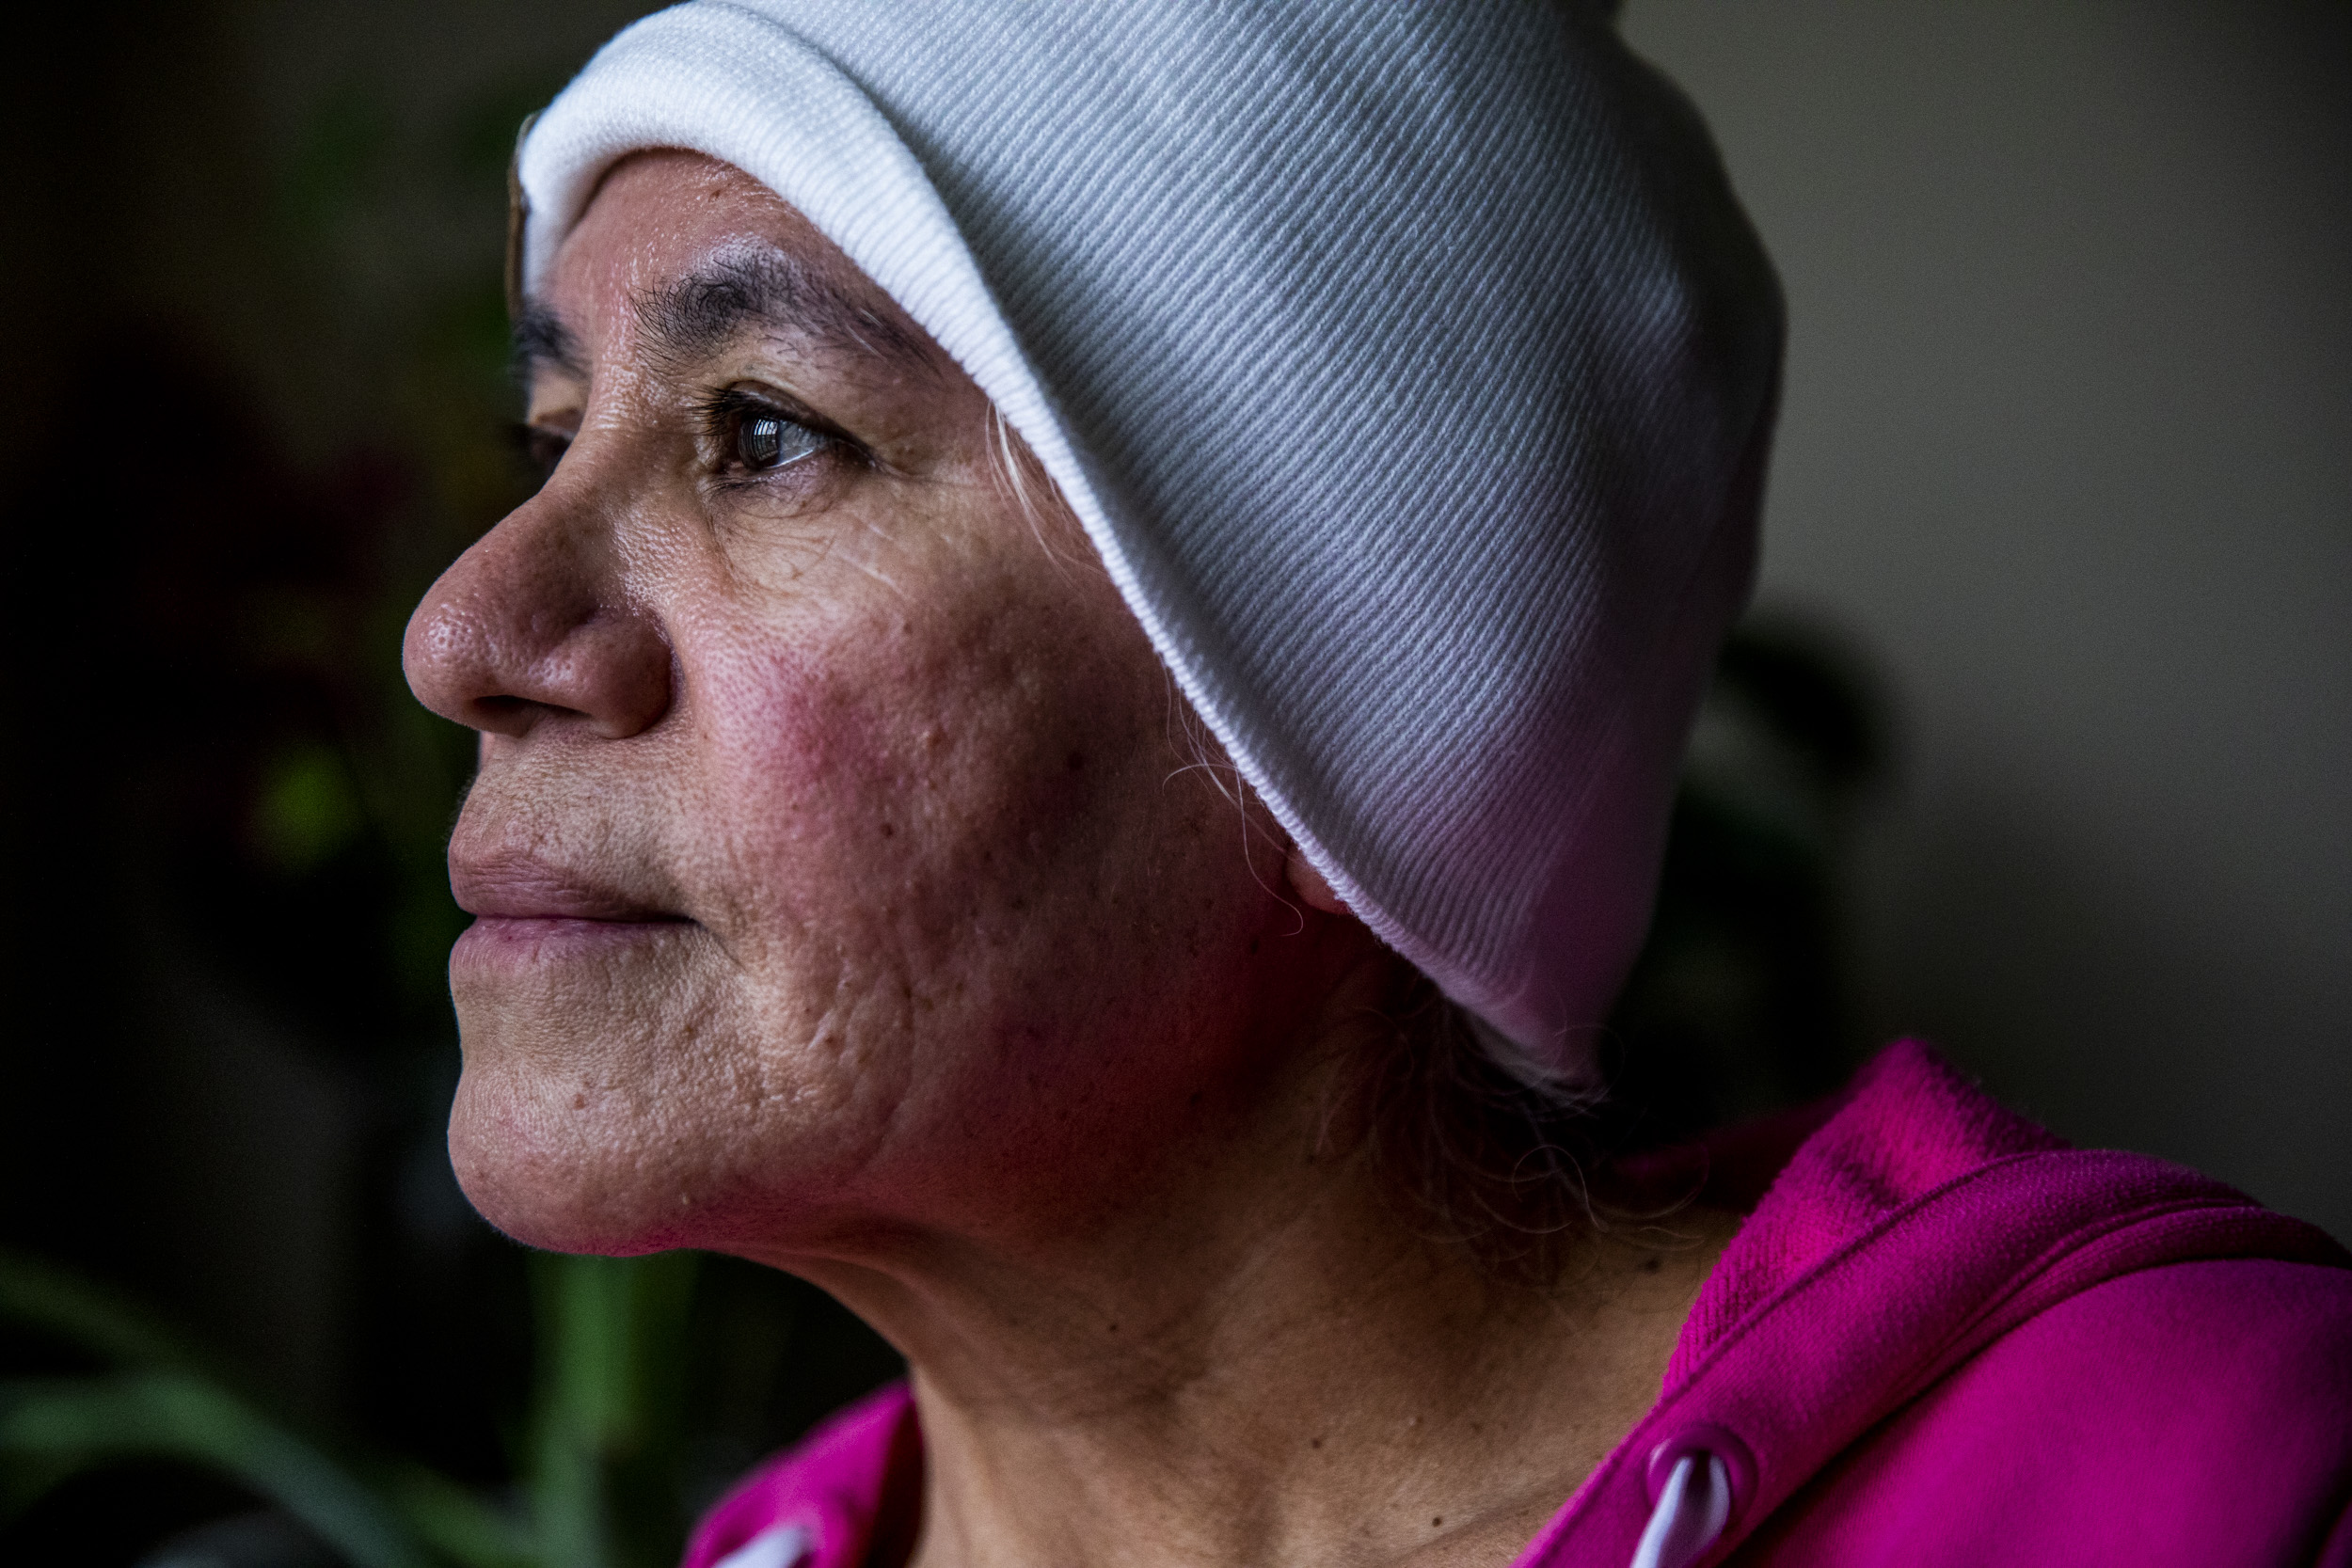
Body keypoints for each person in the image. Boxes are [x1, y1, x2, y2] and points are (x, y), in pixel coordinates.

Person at [401, 3, 2352, 1564]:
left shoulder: (2197, 1490)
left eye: (764, 434)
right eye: (554, 434)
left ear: (1355, 725)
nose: (463, 630)